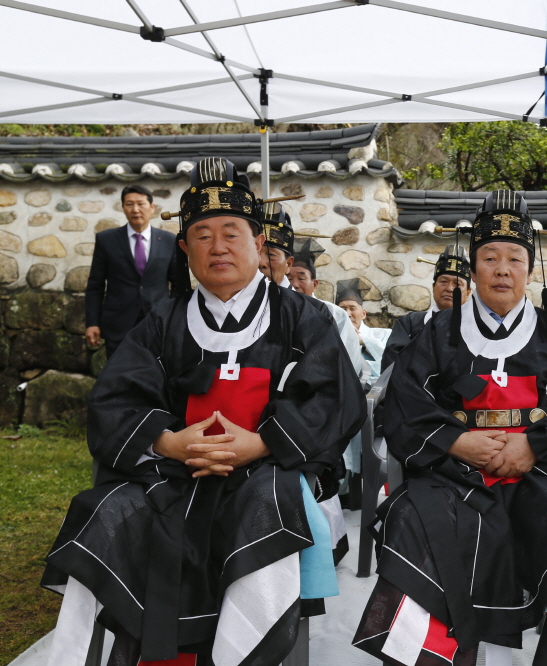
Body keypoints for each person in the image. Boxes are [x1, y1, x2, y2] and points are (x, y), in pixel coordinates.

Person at [41, 158, 366, 666]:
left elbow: (333, 398)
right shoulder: (162, 320)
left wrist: (261, 442)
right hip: (174, 473)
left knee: (266, 507)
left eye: (231, 232)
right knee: (103, 511)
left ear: (259, 244)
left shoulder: (302, 318)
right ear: (185, 248)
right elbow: (115, 401)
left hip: (267, 469)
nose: (218, 247)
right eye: (202, 235)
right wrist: (170, 441)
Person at [353, 190, 547, 666]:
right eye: (489, 257)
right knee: (412, 520)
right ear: (473, 266)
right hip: (451, 473)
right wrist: (457, 441)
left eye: (514, 259)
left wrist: (535, 444)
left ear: (529, 268)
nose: (502, 269)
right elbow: (403, 406)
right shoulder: (437, 334)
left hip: (541, 472)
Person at [259, 205, 364, 383]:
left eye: (270, 255)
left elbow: (345, 376)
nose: (261, 263)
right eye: (254, 253)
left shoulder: (329, 314)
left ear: (287, 264)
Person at [84, 184, 175, 356]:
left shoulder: (169, 241)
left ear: (152, 207)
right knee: (118, 377)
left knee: (156, 376)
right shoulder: (106, 240)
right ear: (123, 207)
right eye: (129, 204)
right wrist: (92, 323)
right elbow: (95, 286)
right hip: (118, 324)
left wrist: (173, 318)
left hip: (158, 323)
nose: (135, 209)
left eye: (141, 204)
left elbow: (178, 284)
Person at [381, 244, 473, 372]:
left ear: (468, 292)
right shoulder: (410, 323)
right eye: (444, 282)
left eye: (457, 284)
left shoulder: (476, 326)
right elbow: (392, 365)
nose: (450, 288)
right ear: (433, 286)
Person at [337, 278, 390, 381]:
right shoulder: (332, 338)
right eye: (342, 310)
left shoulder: (383, 334)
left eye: (352, 308)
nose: (347, 314)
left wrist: (361, 340)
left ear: (363, 313)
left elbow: (390, 362)